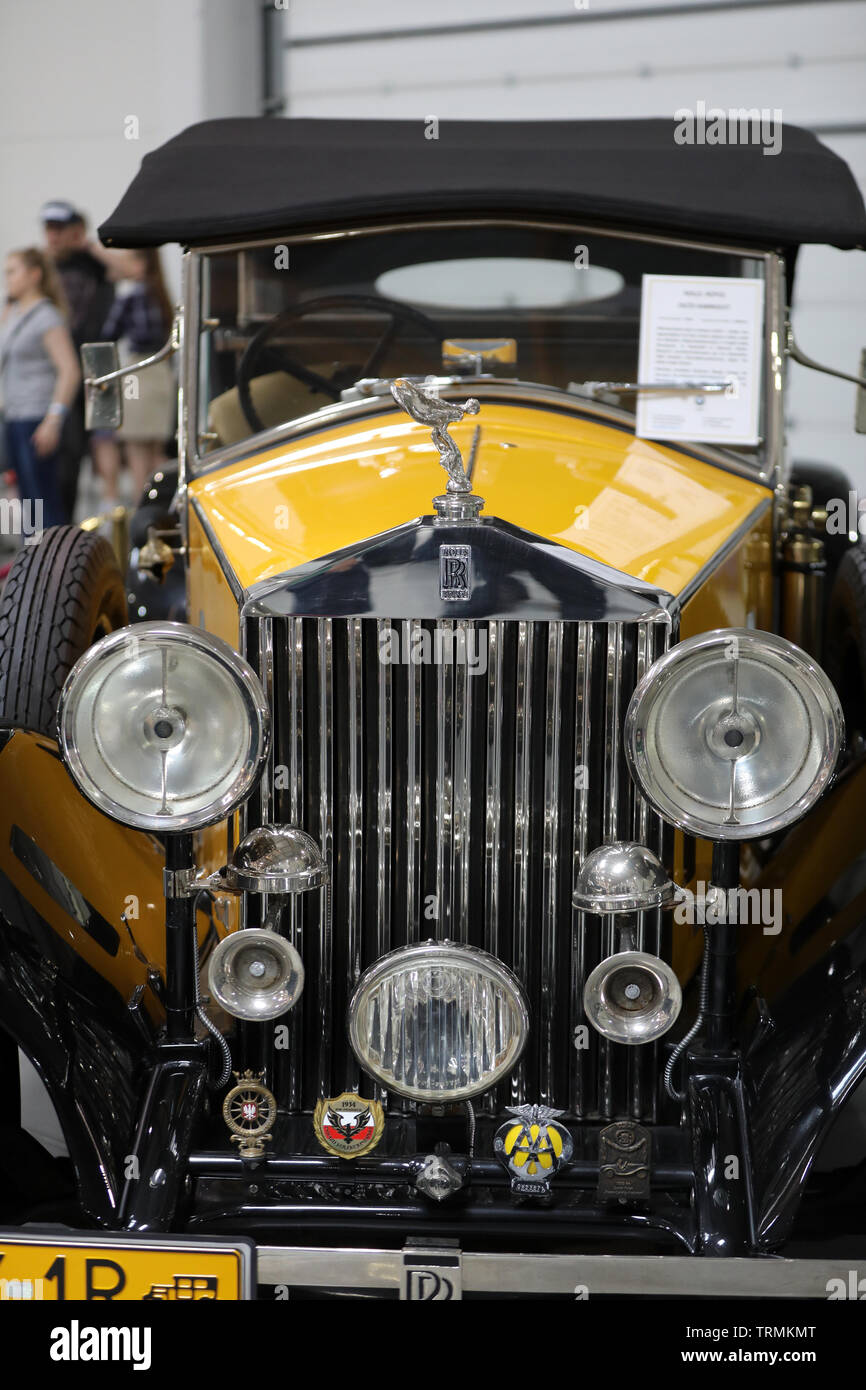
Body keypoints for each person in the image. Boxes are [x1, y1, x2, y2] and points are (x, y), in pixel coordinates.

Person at [41, 201, 114, 518]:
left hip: (96, 367)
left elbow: (131, 270)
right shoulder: (39, 270)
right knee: (65, 455)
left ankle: (109, 515)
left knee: (102, 441)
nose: (53, 237)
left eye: (60, 229)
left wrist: (89, 245)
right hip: (59, 371)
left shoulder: (93, 263)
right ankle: (57, 526)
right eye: (49, 229)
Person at [0, 248, 80, 532]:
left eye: (13, 271)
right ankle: (32, 562)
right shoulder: (15, 314)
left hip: (37, 417)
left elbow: (70, 370)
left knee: (42, 499)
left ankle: (51, 567)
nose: (7, 278)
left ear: (34, 275)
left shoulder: (46, 317)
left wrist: (53, 419)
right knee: (26, 501)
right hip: (15, 415)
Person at [98, 249, 175, 499]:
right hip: (161, 373)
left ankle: (141, 513)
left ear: (141, 264)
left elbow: (109, 333)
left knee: (136, 454)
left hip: (137, 374)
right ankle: (161, 508)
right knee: (155, 452)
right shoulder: (160, 294)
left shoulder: (134, 295)